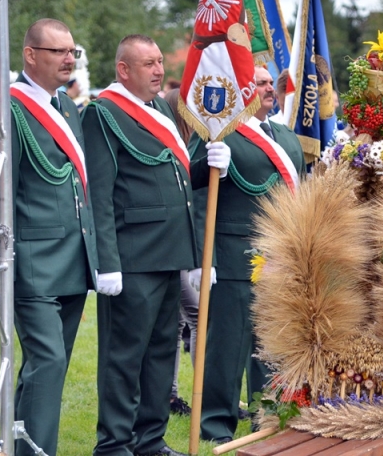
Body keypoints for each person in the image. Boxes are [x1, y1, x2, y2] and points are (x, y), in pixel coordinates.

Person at [82, 34, 230, 456]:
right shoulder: (103, 113)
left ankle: (150, 440)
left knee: (161, 353)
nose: (159, 70)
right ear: (123, 69)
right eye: (148, 63)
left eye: (160, 62)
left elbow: (175, 181)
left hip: (171, 253)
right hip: (133, 257)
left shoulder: (161, 110)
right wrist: (107, 262)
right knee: (124, 356)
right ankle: (114, 444)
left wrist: (207, 167)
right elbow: (100, 194)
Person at [190, 66, 304, 444]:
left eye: (271, 83)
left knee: (271, 345)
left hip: (280, 257)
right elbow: (196, 191)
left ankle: (267, 420)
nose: (270, 88)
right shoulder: (220, 134)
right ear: (242, 90)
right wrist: (205, 258)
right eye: (260, 83)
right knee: (227, 346)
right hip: (232, 254)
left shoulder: (287, 138)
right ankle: (215, 425)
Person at [7, 18, 98, 456]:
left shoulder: (67, 107)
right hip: (33, 259)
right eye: (58, 52)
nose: (68, 60)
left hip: (72, 258)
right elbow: (1, 191)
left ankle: (23, 447)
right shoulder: (9, 108)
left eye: (72, 52)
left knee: (46, 368)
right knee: (48, 360)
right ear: (30, 55)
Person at [163, 88, 198, 416]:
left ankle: (170, 395)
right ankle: (205, 393)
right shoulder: (175, 147)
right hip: (174, 248)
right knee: (198, 314)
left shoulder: (189, 145)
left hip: (181, 247)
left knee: (177, 322)